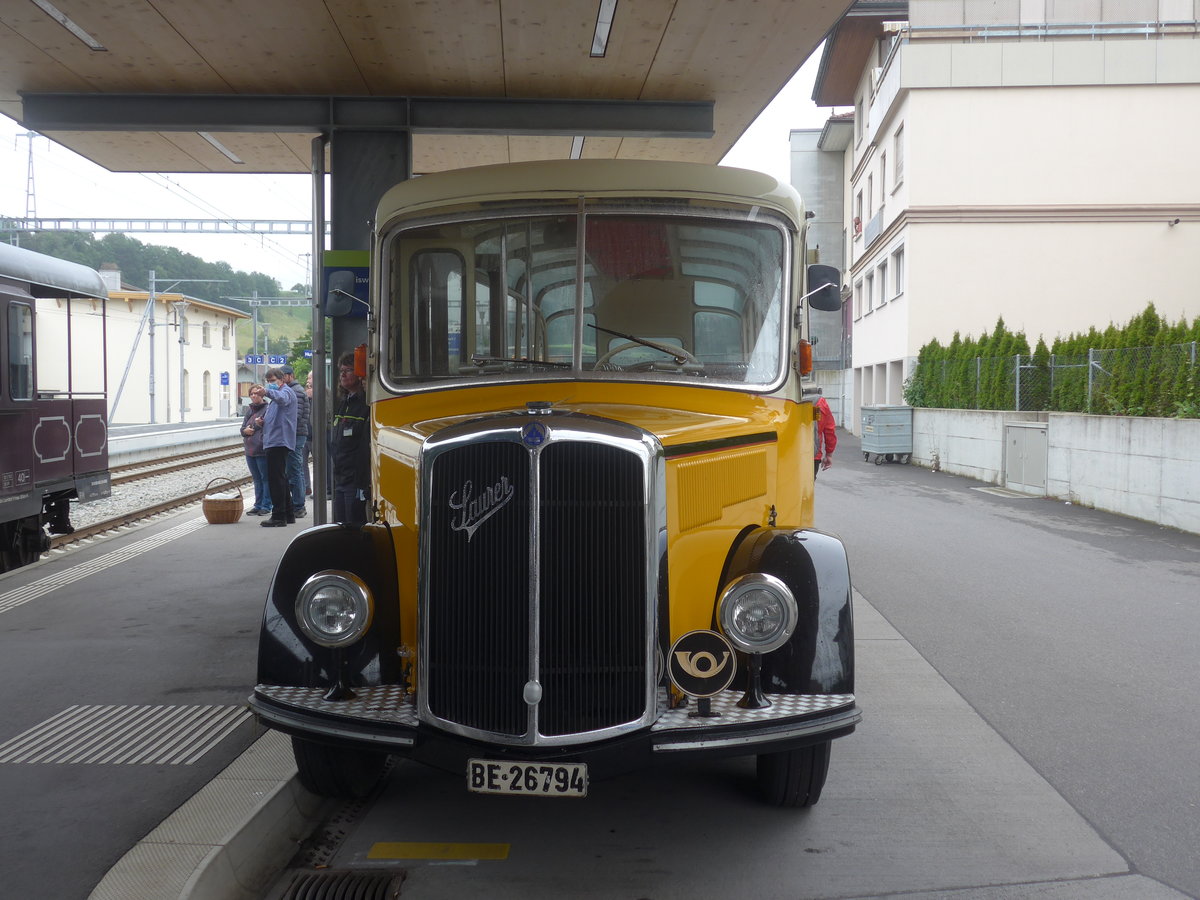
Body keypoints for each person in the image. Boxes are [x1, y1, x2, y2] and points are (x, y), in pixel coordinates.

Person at [331, 352, 371, 526]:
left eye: (348, 370)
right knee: (341, 524)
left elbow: (364, 446)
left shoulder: (365, 405)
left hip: (355, 480)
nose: (343, 374)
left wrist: (362, 481)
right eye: (341, 371)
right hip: (341, 477)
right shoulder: (344, 403)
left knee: (354, 525)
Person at [261, 367, 298, 527]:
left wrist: (267, 392)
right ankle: (288, 514)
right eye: (268, 382)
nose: (270, 384)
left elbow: (282, 399)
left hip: (278, 441)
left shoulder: (285, 392)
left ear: (282, 379)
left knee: (276, 480)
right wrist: (262, 422)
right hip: (276, 440)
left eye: (273, 381)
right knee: (281, 478)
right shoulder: (279, 395)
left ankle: (278, 516)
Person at [282, 365, 310, 518]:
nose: (280, 380)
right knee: (293, 469)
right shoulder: (292, 390)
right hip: (293, 435)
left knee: (295, 470)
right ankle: (296, 504)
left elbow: (294, 416)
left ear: (290, 376)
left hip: (295, 435)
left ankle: (299, 506)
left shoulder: (296, 392)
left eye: (282, 376)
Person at [240, 384, 271, 516]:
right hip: (250, 449)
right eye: (252, 394)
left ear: (262, 395)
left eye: (257, 393)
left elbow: (262, 425)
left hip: (261, 448)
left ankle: (266, 505)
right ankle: (258, 505)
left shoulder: (267, 408)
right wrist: (245, 431)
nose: (254, 396)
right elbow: (243, 428)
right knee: (257, 479)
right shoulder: (249, 410)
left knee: (265, 478)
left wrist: (251, 428)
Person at [814, 394, 837, 478]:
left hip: (785, 455)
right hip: (812, 455)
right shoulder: (818, 402)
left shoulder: (782, 398)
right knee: (807, 484)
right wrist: (829, 454)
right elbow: (829, 430)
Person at [303, 371, 314, 497]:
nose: (308, 381)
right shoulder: (304, 394)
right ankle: (306, 487)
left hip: (316, 435)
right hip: (304, 434)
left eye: (310, 378)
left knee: (318, 464)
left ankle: (320, 488)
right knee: (302, 463)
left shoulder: (323, 393)